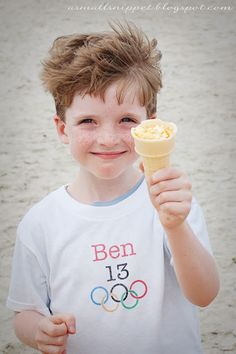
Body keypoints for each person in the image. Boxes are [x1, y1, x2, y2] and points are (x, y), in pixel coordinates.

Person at [7, 22, 219, 354]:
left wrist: (174, 226)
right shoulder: (40, 222)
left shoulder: (171, 200)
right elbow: (25, 312)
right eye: (88, 121)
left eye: (126, 120)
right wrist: (39, 331)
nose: (108, 138)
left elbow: (204, 294)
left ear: (150, 124)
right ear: (63, 129)